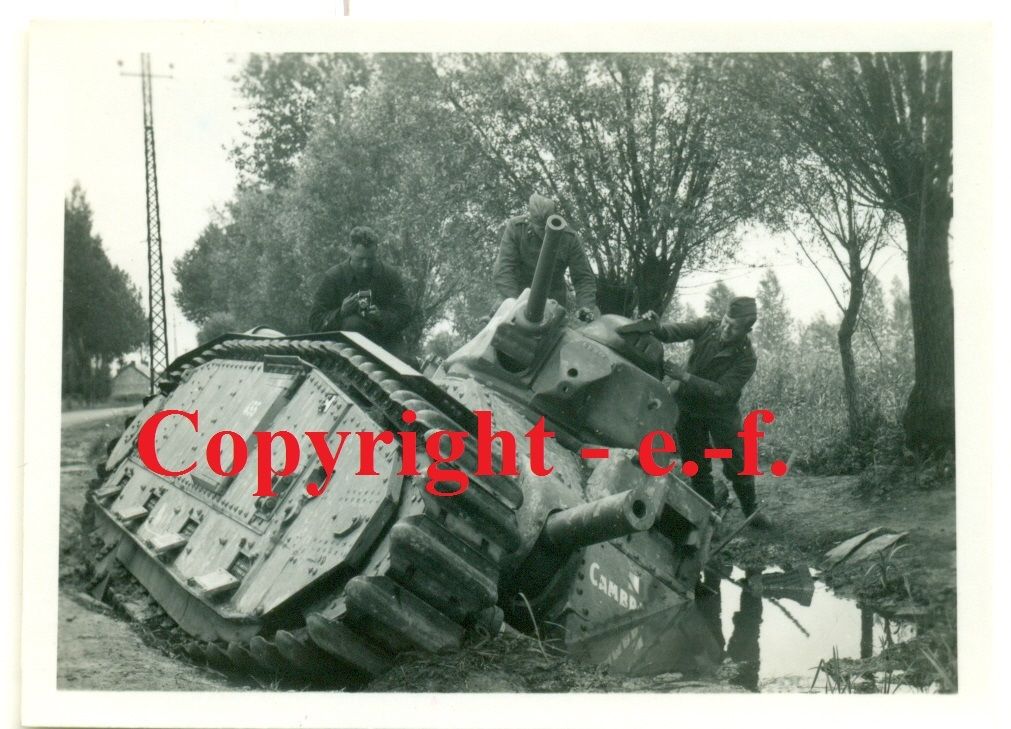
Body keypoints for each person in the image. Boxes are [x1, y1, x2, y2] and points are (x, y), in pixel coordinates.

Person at [653, 296, 771, 529]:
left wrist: (684, 376)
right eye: (726, 321)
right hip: (688, 405)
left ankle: (751, 512)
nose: (725, 328)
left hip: (720, 411)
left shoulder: (747, 358)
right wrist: (656, 327)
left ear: (746, 329)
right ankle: (708, 520)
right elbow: (675, 330)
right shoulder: (708, 326)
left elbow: (723, 392)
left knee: (738, 460)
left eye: (733, 327)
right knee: (696, 463)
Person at [492, 193, 599, 321]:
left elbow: (583, 278)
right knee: (494, 330)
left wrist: (585, 306)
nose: (544, 233)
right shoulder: (517, 229)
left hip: (553, 304)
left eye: (546, 228)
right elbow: (504, 271)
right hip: (515, 297)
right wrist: (516, 304)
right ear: (530, 219)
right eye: (540, 228)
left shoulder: (568, 238)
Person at [308, 226, 412, 356]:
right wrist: (341, 312)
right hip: (346, 345)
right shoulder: (333, 277)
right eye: (360, 259)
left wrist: (382, 316)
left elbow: (406, 313)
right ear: (350, 250)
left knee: (405, 368)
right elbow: (315, 321)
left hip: (385, 341)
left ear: (376, 252)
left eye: (370, 259)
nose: (365, 265)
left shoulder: (390, 275)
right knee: (353, 324)